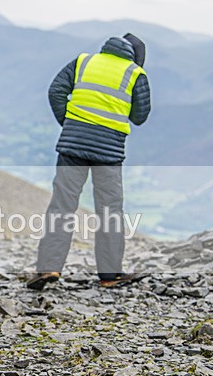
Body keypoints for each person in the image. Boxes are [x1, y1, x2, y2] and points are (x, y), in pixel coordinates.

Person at [27, 33, 151, 290]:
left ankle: (48, 268)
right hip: (109, 152)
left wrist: (70, 125)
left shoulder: (84, 61)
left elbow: (56, 91)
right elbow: (140, 116)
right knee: (110, 211)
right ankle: (109, 275)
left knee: (62, 205)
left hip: (72, 146)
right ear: (137, 58)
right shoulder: (135, 73)